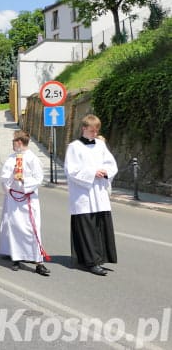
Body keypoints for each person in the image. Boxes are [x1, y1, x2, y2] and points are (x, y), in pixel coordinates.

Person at [64, 114, 118, 276]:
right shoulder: (74, 147)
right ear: (84, 129)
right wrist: (92, 173)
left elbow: (111, 164)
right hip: (84, 194)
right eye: (92, 130)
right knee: (86, 227)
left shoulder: (100, 145)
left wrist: (105, 171)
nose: (95, 134)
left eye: (97, 131)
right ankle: (90, 261)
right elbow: (71, 170)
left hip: (99, 192)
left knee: (100, 226)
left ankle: (101, 257)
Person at [0, 130, 50, 276]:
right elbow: (3, 177)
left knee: (31, 229)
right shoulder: (11, 158)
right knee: (14, 228)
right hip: (14, 199)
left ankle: (38, 261)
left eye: (13, 142)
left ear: (19, 142)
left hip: (28, 199)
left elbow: (39, 178)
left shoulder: (33, 159)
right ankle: (16, 258)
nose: (12, 145)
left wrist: (24, 181)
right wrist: (11, 177)